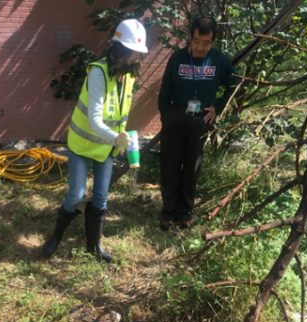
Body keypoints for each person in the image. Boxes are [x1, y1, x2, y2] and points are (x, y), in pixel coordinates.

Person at [42, 19, 148, 262]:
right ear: (123, 50)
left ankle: (94, 246)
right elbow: (94, 121)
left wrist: (121, 140)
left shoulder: (129, 76)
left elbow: (120, 115)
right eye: (136, 53)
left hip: (106, 148)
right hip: (82, 145)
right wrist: (117, 139)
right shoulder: (98, 73)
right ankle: (56, 237)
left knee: (101, 196)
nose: (138, 58)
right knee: (76, 194)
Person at [158, 16, 238, 230]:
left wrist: (217, 108)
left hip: (200, 120)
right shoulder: (176, 58)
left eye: (206, 43)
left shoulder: (219, 60)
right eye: (196, 41)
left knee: (191, 168)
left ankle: (185, 212)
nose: (200, 47)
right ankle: (168, 211)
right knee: (170, 166)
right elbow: (165, 90)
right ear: (190, 37)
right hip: (175, 118)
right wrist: (165, 116)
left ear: (213, 42)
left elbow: (235, 84)